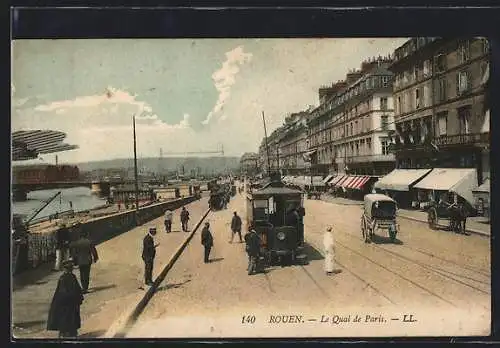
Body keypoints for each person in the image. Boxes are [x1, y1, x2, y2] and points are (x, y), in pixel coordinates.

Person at [47, 259, 84, 338]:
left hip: (65, 303)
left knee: (65, 318)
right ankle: (70, 333)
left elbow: (60, 291)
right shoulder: (70, 277)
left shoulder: (63, 278)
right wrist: (78, 298)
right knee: (70, 318)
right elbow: (77, 290)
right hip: (70, 303)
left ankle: (65, 333)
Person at [69, 225, 99, 293]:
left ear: (80, 235)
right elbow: (93, 251)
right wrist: (95, 258)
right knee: (87, 274)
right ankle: (86, 287)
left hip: (80, 261)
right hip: (88, 260)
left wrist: (74, 261)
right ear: (86, 234)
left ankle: (83, 287)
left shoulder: (77, 243)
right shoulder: (89, 242)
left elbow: (74, 253)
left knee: (82, 274)